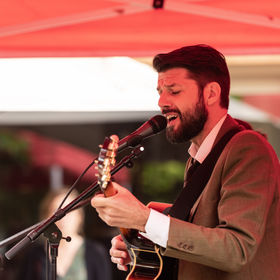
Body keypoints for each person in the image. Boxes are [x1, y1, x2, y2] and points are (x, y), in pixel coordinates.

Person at [91, 44, 280, 279]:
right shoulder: (200, 157)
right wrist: (145, 247)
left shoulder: (248, 149)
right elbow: (202, 244)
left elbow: (236, 249)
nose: (162, 101)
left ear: (211, 93)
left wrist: (144, 219)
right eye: (160, 90)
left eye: (174, 90)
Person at [18, 187, 112, 280]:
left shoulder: (96, 252)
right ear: (46, 218)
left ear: (79, 217)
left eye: (69, 212)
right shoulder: (34, 256)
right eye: (55, 213)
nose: (62, 219)